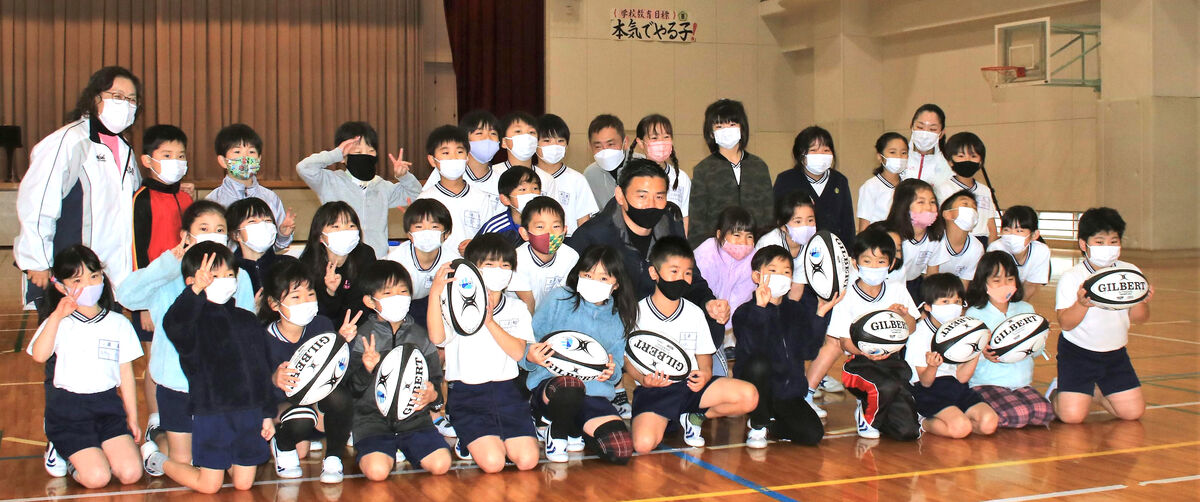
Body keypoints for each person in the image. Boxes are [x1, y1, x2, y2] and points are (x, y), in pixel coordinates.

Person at [568, 159, 732, 411]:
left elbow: (690, 276)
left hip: (662, 317)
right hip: (616, 319)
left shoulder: (671, 224)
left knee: (709, 319)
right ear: (620, 196)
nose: (652, 204)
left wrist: (709, 302)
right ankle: (620, 384)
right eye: (642, 196)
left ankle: (682, 385)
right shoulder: (594, 234)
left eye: (659, 196)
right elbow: (572, 287)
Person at [117, 201, 255, 474]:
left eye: (219, 229)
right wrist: (168, 264)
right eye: (204, 228)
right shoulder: (168, 275)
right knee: (186, 460)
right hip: (177, 383)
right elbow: (126, 296)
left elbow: (246, 327)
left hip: (219, 386)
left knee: (227, 464)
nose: (213, 234)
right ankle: (157, 442)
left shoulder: (237, 276)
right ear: (186, 235)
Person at [17, 66, 144, 302]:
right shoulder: (68, 142)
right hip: (71, 275)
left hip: (112, 278)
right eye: (117, 96)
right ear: (95, 98)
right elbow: (37, 203)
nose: (125, 104)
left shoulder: (125, 149)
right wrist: (37, 260)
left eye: (131, 99)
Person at [158, 243, 275, 493]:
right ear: (193, 280)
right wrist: (195, 292)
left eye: (230, 274)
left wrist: (267, 413)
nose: (225, 280)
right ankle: (157, 460)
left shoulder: (247, 319)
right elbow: (174, 324)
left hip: (249, 413)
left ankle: (229, 460)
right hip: (212, 413)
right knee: (209, 485)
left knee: (244, 484)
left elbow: (262, 370)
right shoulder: (193, 323)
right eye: (215, 275)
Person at [629, 237, 759, 453]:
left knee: (749, 396)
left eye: (687, 273)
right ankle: (667, 417)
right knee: (643, 445)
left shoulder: (695, 313)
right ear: (654, 273)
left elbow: (704, 355)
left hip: (690, 387)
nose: (681, 278)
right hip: (655, 391)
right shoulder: (636, 313)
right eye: (674, 271)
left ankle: (693, 417)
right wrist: (643, 379)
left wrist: (706, 374)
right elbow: (626, 358)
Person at [28, 245, 143, 488]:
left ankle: (95, 451)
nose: (89, 285)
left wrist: (132, 418)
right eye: (77, 280)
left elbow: (126, 374)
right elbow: (39, 355)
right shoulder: (60, 322)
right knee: (97, 478)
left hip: (108, 409)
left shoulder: (118, 323)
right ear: (61, 286)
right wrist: (57, 316)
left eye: (94, 276)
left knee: (131, 473)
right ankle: (62, 452)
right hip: (69, 412)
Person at [427, 234, 540, 472]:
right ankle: (466, 437)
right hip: (468, 395)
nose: (498, 270)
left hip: (508, 394)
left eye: (505, 265)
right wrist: (435, 295)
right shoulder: (455, 304)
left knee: (528, 461)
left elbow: (518, 353)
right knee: (493, 463)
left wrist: (489, 322)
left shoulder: (517, 308)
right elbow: (437, 338)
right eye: (489, 264)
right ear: (473, 268)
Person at [523, 245, 637, 464]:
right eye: (588, 275)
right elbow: (529, 340)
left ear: (616, 284)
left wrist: (611, 373)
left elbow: (615, 367)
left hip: (593, 392)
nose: (594, 281)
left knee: (620, 449)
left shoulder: (619, 316)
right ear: (578, 275)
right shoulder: (559, 298)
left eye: (603, 278)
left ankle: (573, 427)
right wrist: (530, 356)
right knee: (570, 386)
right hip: (554, 387)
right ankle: (554, 429)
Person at [348, 261, 451, 479]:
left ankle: (403, 448)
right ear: (370, 301)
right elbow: (351, 390)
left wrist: (433, 396)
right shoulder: (361, 336)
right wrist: (366, 369)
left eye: (403, 291)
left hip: (415, 421)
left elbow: (435, 379)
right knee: (377, 472)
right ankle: (383, 450)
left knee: (442, 464)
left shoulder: (421, 336)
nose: (397, 297)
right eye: (388, 293)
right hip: (371, 422)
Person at [1048, 207, 1152, 423]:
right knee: (1072, 417)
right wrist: (1081, 304)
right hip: (1078, 354)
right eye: (1100, 242)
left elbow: (1140, 318)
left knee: (1133, 413)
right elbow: (1065, 323)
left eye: (1113, 241)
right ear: (1083, 244)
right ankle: (1057, 391)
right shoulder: (1072, 277)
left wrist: (1141, 300)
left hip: (1115, 354)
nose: (1108, 247)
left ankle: (1092, 392)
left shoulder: (1130, 272)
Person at [259, 260, 358, 483]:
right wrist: (273, 379)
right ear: (274, 304)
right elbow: (252, 384)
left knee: (340, 397)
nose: (306, 301)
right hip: (279, 406)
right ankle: (282, 444)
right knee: (302, 419)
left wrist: (343, 343)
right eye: (296, 296)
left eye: (311, 294)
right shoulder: (262, 338)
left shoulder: (321, 325)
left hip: (315, 402)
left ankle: (333, 458)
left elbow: (337, 373)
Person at [827, 228, 921, 441]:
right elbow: (844, 342)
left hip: (893, 363)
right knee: (886, 386)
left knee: (907, 431)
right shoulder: (846, 295)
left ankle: (878, 407)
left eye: (881, 261)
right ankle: (866, 416)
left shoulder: (897, 289)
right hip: (859, 364)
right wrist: (866, 352)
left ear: (891, 264)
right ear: (855, 263)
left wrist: (903, 316)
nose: (874, 267)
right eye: (867, 261)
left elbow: (912, 328)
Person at [732, 245, 828, 447]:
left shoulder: (796, 311)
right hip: (758, 389)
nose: (781, 276)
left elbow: (809, 351)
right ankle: (758, 423)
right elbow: (750, 348)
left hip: (788, 393)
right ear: (757, 276)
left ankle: (771, 426)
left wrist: (819, 316)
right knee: (759, 365)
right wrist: (760, 309)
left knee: (812, 434)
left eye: (786, 272)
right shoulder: (744, 312)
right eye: (773, 270)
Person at [296, 121, 422, 258]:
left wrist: (404, 176)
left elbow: (416, 195)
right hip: (341, 259)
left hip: (376, 259)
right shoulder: (329, 181)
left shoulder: (382, 186)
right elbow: (304, 168)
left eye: (371, 151)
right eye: (358, 152)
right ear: (343, 157)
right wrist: (336, 154)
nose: (365, 155)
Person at [967, 251, 1055, 428]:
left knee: (1044, 413)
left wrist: (1040, 337)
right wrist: (984, 354)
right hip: (987, 383)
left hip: (1021, 384)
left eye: (1009, 279)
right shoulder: (975, 314)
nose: (1004, 285)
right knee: (1019, 414)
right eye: (997, 280)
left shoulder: (1026, 309)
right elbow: (968, 354)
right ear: (983, 282)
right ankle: (975, 411)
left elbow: (1036, 352)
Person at [905, 273, 999, 438]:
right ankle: (922, 421)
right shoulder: (919, 334)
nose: (953, 307)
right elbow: (925, 382)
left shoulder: (963, 329)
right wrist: (932, 367)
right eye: (945, 302)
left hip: (955, 386)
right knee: (960, 428)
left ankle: (956, 417)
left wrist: (977, 347)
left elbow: (962, 378)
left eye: (957, 302)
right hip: (927, 390)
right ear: (928, 306)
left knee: (989, 423)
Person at [688, 99, 773, 248]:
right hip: (717, 250)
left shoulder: (759, 166)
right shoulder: (704, 169)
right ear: (711, 133)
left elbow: (769, 215)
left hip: (757, 248)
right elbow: (697, 223)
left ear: (742, 128)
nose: (726, 130)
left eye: (732, 124)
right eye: (719, 126)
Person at [205, 123, 296, 251]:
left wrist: (283, 235)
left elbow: (277, 246)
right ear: (223, 161)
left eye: (251, 152)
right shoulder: (213, 201)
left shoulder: (270, 198)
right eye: (237, 152)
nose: (245, 158)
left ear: (259, 159)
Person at [772, 126, 855, 247]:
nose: (820, 155)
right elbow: (775, 218)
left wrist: (848, 252)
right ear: (801, 154)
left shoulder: (840, 181)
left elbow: (847, 223)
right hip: (795, 249)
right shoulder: (786, 180)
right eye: (814, 150)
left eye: (826, 150)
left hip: (833, 249)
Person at [385, 198, 460, 329]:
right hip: (402, 308)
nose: (426, 233)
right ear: (409, 234)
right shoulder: (395, 261)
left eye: (434, 227)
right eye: (419, 227)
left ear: (446, 233)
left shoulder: (454, 262)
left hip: (436, 307)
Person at [417, 125, 491, 253]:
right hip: (439, 264)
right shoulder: (425, 199)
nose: (454, 157)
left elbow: (489, 237)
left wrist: (475, 247)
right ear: (432, 160)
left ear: (467, 158)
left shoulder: (481, 198)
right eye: (446, 153)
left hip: (472, 262)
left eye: (459, 152)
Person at [299, 202, 377, 323]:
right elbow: (315, 314)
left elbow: (368, 301)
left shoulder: (366, 255)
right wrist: (330, 292)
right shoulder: (308, 264)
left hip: (361, 325)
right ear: (320, 236)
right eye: (336, 226)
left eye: (351, 226)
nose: (345, 231)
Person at [509, 196, 580, 312]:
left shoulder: (571, 257)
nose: (549, 233)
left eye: (556, 226)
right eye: (540, 227)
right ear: (525, 233)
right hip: (521, 316)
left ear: (564, 231)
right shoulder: (517, 260)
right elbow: (528, 304)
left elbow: (565, 299)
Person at [535, 113, 599, 234]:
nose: (554, 146)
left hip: (570, 241)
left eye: (560, 141)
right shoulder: (527, 178)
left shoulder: (577, 179)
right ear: (534, 143)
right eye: (547, 140)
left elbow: (584, 224)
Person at [884, 179, 946, 300]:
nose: (929, 207)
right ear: (904, 206)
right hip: (887, 285)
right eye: (921, 202)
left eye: (932, 202)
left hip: (913, 285)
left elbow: (932, 275)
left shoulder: (936, 236)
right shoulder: (890, 236)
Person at [632, 114, 691, 234]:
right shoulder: (632, 177)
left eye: (666, 137)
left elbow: (685, 218)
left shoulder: (682, 178)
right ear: (641, 143)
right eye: (654, 138)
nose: (661, 142)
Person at [934, 132, 997, 243]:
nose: (967, 160)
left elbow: (991, 226)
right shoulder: (943, 189)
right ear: (950, 161)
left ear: (980, 162)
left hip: (983, 241)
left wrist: (991, 249)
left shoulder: (985, 190)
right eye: (961, 156)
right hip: (954, 241)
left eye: (973, 156)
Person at [226, 197, 293, 293]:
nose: (263, 225)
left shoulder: (289, 265)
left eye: (267, 220)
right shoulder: (228, 269)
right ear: (235, 234)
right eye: (252, 221)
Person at [986, 205, 1050, 299]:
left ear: (1034, 235)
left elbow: (1031, 285)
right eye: (1007, 230)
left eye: (1019, 231)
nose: (1012, 235)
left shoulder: (1041, 251)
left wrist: (1018, 306)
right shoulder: (995, 249)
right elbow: (993, 284)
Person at [476, 165, 542, 248]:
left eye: (535, 188)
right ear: (505, 199)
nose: (531, 194)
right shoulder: (496, 228)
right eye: (522, 190)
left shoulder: (548, 223)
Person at [927, 190, 984, 285]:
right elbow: (929, 282)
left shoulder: (977, 248)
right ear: (947, 214)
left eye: (974, 208)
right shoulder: (934, 240)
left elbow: (964, 286)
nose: (972, 210)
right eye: (965, 204)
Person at [857, 132, 907, 231]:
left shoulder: (907, 185)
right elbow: (864, 226)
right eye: (892, 152)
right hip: (879, 238)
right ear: (880, 157)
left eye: (903, 153)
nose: (899, 156)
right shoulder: (871, 186)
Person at [581, 114, 631, 209]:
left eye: (611, 144)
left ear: (625, 142)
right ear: (590, 147)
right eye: (598, 146)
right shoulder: (589, 175)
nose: (605, 151)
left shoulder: (644, 166)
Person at [905, 103, 952, 186]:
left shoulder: (947, 166)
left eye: (932, 129)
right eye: (920, 127)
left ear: (941, 133)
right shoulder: (898, 159)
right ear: (911, 126)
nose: (925, 135)